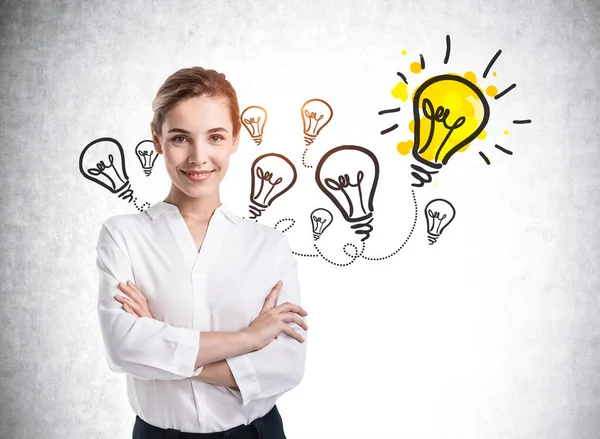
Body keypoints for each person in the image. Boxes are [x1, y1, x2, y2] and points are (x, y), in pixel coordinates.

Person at [95, 66, 308, 439]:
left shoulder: (268, 244)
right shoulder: (123, 235)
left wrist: (164, 347)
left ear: (235, 139)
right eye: (180, 138)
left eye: (215, 137)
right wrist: (250, 339)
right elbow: (124, 349)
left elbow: (285, 366)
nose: (198, 157)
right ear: (157, 139)